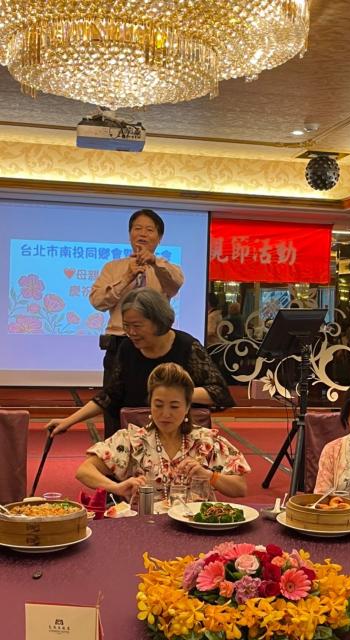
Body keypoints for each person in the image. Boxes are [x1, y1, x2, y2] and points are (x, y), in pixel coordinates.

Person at [47, 288, 234, 438]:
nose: (131, 332)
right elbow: (110, 395)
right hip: (136, 437)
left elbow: (219, 393)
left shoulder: (187, 346)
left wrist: (175, 395)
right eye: (126, 326)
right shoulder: (127, 348)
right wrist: (68, 421)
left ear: (158, 321)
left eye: (137, 326)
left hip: (180, 435)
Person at [76, 363, 249, 500]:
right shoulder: (132, 440)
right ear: (150, 404)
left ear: (187, 407)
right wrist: (116, 488)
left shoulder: (206, 441)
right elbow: (84, 471)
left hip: (197, 526)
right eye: (158, 405)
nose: (165, 414)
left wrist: (209, 476)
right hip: (146, 526)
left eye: (174, 406)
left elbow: (240, 488)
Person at [90, 209, 184, 433]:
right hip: (119, 345)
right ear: (130, 234)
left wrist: (155, 264)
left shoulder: (167, 268)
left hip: (155, 347)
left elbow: (175, 285)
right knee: (113, 406)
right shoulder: (113, 268)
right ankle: (114, 449)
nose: (142, 234)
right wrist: (127, 278)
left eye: (149, 230)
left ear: (159, 238)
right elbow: (97, 301)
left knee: (154, 403)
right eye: (137, 229)